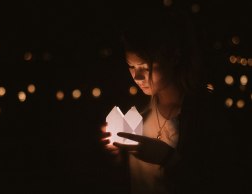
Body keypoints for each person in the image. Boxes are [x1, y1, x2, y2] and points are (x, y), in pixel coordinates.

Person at [99, 5, 235, 194]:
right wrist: (115, 156)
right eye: (131, 66)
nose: (137, 77)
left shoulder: (202, 114)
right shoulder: (136, 114)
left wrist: (168, 159)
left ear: (174, 57)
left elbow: (219, 180)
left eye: (146, 67)